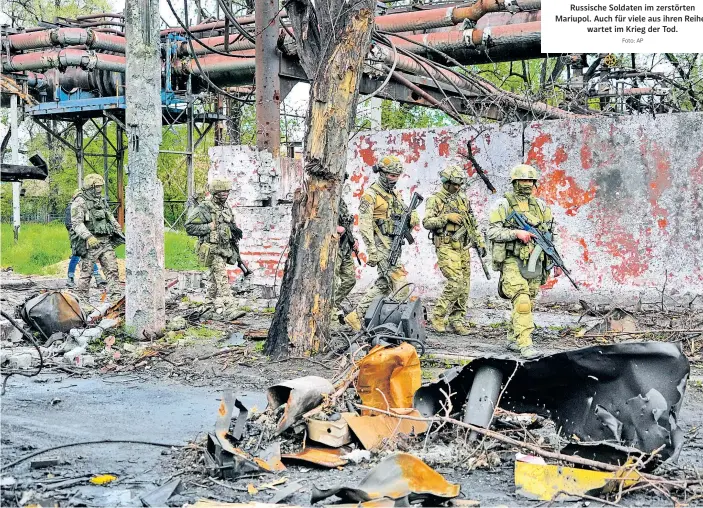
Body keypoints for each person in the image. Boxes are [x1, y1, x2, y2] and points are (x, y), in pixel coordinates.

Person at [486, 164, 562, 359]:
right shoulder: (503, 205)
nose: (527, 184)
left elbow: (550, 235)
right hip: (512, 259)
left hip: (535, 261)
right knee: (521, 299)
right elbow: (491, 231)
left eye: (530, 181)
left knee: (529, 298)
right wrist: (516, 233)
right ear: (514, 182)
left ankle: (513, 338)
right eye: (522, 180)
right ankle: (525, 344)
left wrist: (556, 261)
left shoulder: (541, 206)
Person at [344, 155, 419, 331]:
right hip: (381, 245)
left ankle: (354, 316)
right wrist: (372, 251)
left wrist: (412, 216)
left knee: (383, 286)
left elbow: (404, 212)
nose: (394, 179)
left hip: (394, 242)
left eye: (397, 176)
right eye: (391, 175)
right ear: (382, 173)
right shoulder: (370, 195)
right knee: (401, 284)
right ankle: (396, 323)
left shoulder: (394, 193)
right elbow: (364, 225)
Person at [423, 165, 486, 335]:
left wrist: (480, 242)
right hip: (446, 245)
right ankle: (438, 315)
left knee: (464, 285)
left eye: (459, 185)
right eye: (454, 184)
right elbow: (427, 222)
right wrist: (446, 218)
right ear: (446, 182)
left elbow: (472, 222)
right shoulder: (435, 199)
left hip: (463, 246)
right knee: (456, 281)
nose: (457, 188)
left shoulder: (463, 199)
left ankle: (456, 320)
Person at [184, 179, 244, 318]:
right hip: (211, 249)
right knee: (222, 278)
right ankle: (230, 308)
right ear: (215, 192)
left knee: (213, 280)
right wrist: (208, 227)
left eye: (227, 191)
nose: (225, 194)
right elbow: (189, 227)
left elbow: (232, 228)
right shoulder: (205, 207)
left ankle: (208, 308)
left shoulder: (226, 207)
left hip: (224, 248)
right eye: (222, 191)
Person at [70, 174, 123, 302]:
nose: (99, 189)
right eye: (97, 186)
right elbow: (76, 223)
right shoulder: (80, 202)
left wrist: (116, 226)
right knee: (86, 274)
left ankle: (115, 298)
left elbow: (108, 215)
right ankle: (83, 301)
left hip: (105, 241)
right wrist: (88, 237)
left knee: (112, 270)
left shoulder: (100, 200)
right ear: (90, 187)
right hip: (90, 244)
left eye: (100, 186)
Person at [64, 189, 104, 288]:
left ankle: (97, 277)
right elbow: (70, 224)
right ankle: (70, 278)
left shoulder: (85, 206)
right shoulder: (72, 207)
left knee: (89, 255)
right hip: (77, 236)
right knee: (76, 256)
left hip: (85, 235)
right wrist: (78, 234)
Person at [332, 177, 358, 321]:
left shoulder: (340, 201)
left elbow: (346, 224)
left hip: (345, 248)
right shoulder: (324, 198)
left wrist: (354, 241)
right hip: (333, 250)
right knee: (333, 283)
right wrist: (334, 228)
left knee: (350, 279)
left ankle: (333, 304)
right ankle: (330, 311)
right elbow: (315, 222)